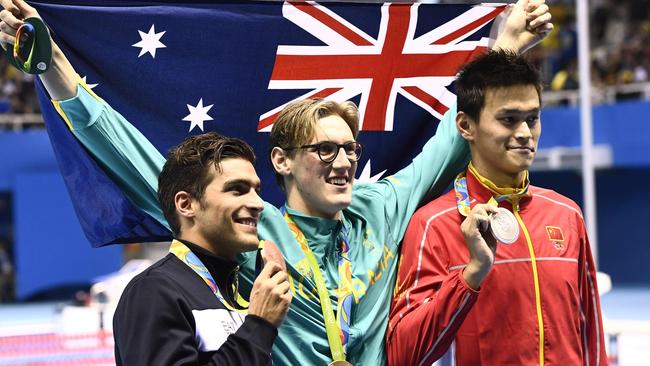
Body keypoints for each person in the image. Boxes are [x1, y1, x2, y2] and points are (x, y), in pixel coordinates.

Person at [0, 0, 552, 364]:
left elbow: (447, 142)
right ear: (283, 162)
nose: (343, 162)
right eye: (325, 149)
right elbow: (138, 160)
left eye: (350, 149)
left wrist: (504, 48)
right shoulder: (248, 229)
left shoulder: (381, 205)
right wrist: (53, 68)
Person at [386, 50, 607, 366]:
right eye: (508, 119)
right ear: (465, 125)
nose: (524, 133)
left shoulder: (566, 214)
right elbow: (402, 354)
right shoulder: (433, 225)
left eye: (532, 118)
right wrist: (470, 274)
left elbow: (592, 335)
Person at [112, 132, 292, 364]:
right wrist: (259, 326)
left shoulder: (235, 295)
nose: (258, 204)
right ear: (186, 204)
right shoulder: (154, 290)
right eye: (237, 189)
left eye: (256, 191)